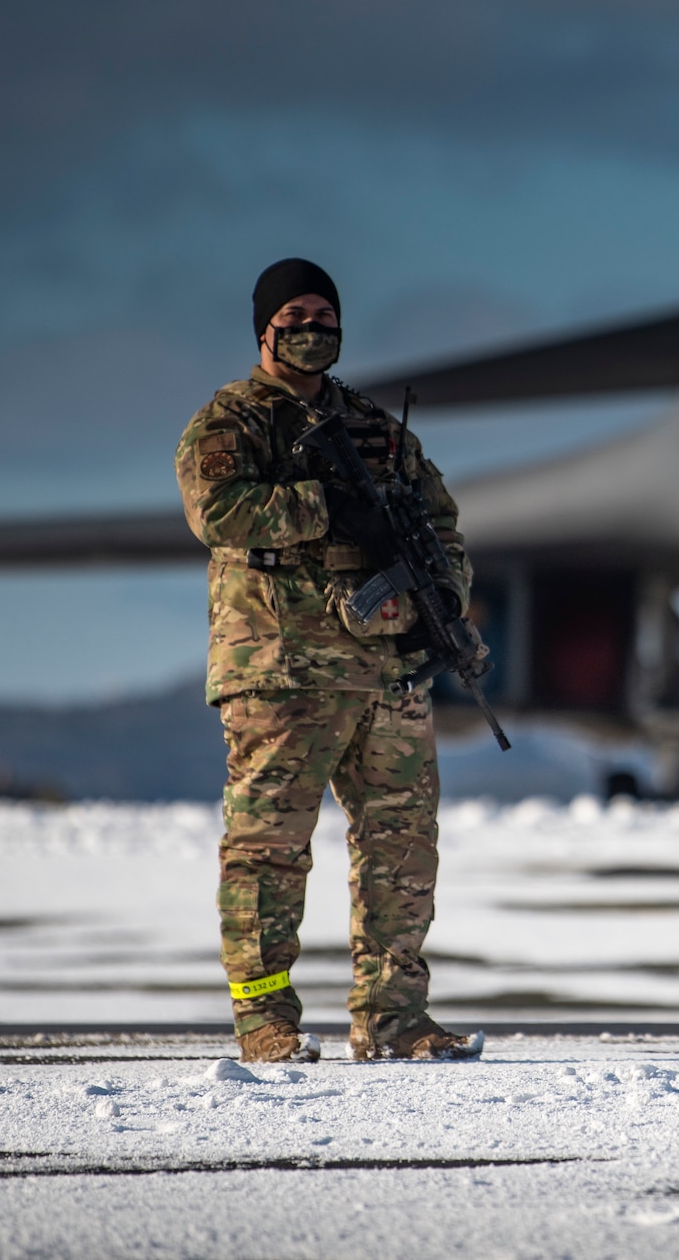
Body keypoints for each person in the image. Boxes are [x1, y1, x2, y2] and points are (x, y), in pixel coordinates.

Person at [175, 258, 481, 1063]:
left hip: (385, 670)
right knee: (269, 847)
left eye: (325, 314)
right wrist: (320, 503)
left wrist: (442, 596)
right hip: (281, 670)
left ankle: (393, 1018)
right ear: (265, 328)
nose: (313, 328)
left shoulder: (379, 429)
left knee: (403, 845)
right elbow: (218, 512)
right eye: (296, 314)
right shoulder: (231, 422)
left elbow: (439, 523)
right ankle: (262, 1018)